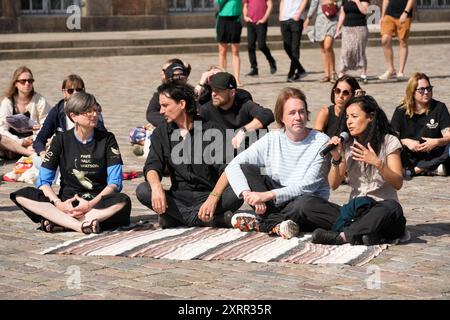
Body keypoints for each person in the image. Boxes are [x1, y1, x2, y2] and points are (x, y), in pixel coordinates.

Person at [10, 92, 131, 234]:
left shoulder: (107, 139)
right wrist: (58, 204)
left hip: (97, 203)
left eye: (95, 110)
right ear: (74, 116)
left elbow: (115, 183)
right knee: (22, 194)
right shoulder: (60, 140)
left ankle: (62, 222)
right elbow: (43, 181)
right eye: (88, 111)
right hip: (66, 204)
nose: (94, 114)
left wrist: (90, 204)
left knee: (123, 201)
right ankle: (80, 225)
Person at [225, 87, 331, 239]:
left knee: (303, 205)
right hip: (276, 199)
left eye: (302, 112)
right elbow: (233, 165)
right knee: (246, 167)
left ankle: (265, 223)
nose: (298, 117)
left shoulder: (321, 141)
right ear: (281, 117)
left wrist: (265, 196)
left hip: (303, 200)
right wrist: (248, 193)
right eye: (292, 113)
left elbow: (308, 187)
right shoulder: (272, 139)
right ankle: (277, 224)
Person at [136, 83, 242, 228]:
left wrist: (213, 198)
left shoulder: (213, 130)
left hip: (209, 195)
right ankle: (211, 220)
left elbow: (228, 169)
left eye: (165, 105)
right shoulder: (161, 132)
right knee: (143, 190)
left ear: (182, 104)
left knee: (239, 190)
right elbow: (152, 165)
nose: (161, 111)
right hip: (178, 198)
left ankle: (176, 218)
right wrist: (156, 187)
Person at [310, 95, 407, 246]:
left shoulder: (389, 141)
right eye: (347, 117)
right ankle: (367, 234)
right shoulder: (347, 144)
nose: (349, 121)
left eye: (354, 116)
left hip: (384, 213)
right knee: (307, 203)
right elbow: (333, 184)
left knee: (392, 207)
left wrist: (376, 162)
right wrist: (336, 157)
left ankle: (342, 237)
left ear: (371, 117)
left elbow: (398, 182)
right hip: (357, 212)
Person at [33, 74, 106, 161]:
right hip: (64, 155)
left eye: (79, 90)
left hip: (88, 154)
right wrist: (42, 153)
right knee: (37, 161)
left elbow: (103, 138)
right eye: (70, 91)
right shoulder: (57, 111)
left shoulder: (93, 110)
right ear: (64, 93)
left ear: (84, 91)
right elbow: (40, 139)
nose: (75, 93)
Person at [390, 72, 450, 177]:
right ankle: (432, 169)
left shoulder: (439, 108)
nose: (426, 92)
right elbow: (389, 138)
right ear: (412, 92)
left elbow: (448, 136)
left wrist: (436, 142)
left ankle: (416, 170)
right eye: (421, 90)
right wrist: (406, 141)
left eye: (429, 88)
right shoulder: (400, 111)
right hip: (409, 155)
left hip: (434, 153)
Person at [199, 72, 274, 149]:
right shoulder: (206, 110)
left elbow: (267, 114)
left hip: (250, 151)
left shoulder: (244, 105)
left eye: (218, 90)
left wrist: (244, 130)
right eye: (213, 90)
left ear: (232, 93)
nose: (213, 94)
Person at [0, 66, 50, 159]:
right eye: (23, 81)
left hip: (32, 140)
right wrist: (20, 141)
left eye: (30, 81)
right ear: (15, 83)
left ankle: (20, 152)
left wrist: (33, 138)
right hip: (12, 141)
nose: (27, 83)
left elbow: (47, 123)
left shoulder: (40, 100)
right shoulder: (7, 101)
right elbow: (2, 129)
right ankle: (29, 153)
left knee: (53, 138)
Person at [146, 58, 192, 127]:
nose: (161, 73)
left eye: (165, 70)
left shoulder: (191, 93)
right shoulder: (160, 94)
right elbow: (151, 114)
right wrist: (172, 121)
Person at [378, 0, 416, 80]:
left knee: (403, 42)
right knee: (385, 40)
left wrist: (406, 12)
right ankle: (390, 69)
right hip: (389, 14)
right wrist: (382, 15)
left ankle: (400, 72)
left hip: (404, 14)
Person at [304, 0, 339, 83]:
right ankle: (327, 75)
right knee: (323, 49)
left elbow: (341, 4)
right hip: (320, 21)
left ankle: (333, 72)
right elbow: (313, 4)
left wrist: (331, 2)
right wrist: (308, 18)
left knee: (328, 46)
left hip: (332, 19)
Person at [335, 0, 370, 83]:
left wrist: (357, 2)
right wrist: (338, 28)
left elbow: (365, 11)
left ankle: (363, 73)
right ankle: (341, 72)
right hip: (347, 28)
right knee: (345, 51)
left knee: (360, 51)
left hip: (360, 28)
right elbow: (342, 14)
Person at [243, 0, 277, 77]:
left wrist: (264, 18)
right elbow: (245, 5)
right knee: (250, 46)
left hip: (261, 22)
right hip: (250, 22)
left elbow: (270, 5)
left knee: (261, 45)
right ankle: (254, 68)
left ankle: (271, 61)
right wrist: (245, 16)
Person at [279, 0, 308, 82]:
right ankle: (300, 69)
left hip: (296, 19)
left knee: (295, 48)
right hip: (284, 19)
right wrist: (281, 15)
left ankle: (291, 75)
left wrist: (299, 13)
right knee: (286, 46)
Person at [215, 0, 243, 86]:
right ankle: (222, 77)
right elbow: (216, 5)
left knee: (235, 51)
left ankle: (237, 79)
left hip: (235, 19)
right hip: (222, 19)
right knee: (222, 50)